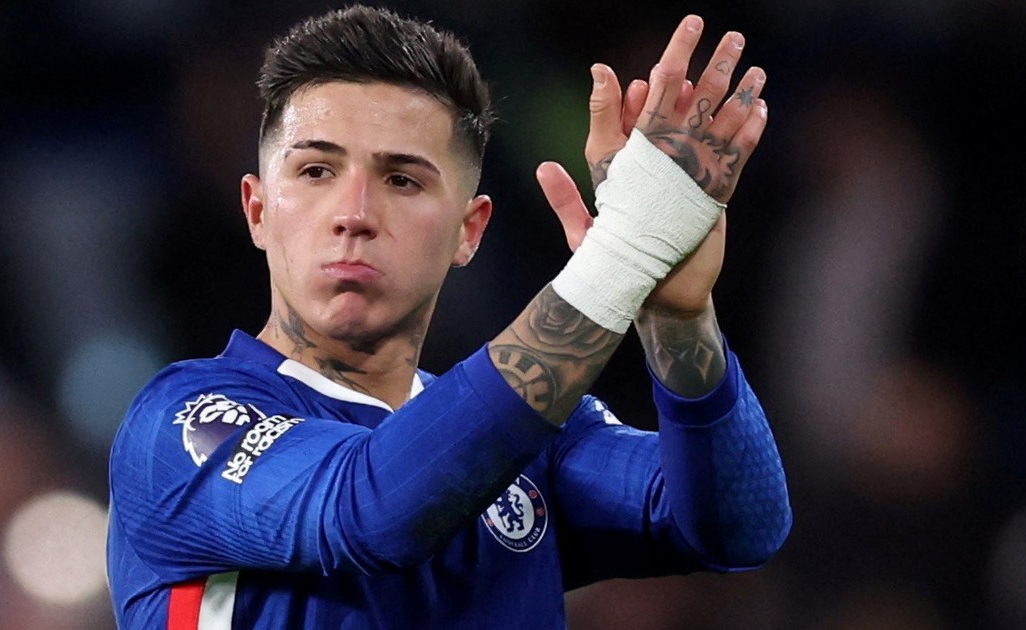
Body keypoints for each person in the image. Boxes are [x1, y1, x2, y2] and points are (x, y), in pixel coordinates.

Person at [107, 5, 791, 628]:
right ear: (258, 211)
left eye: (402, 180)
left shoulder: (536, 445)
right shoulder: (181, 423)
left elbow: (741, 526)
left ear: (470, 231)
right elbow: (368, 511)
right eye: (316, 171)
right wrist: (623, 256)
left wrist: (677, 314)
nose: (354, 214)